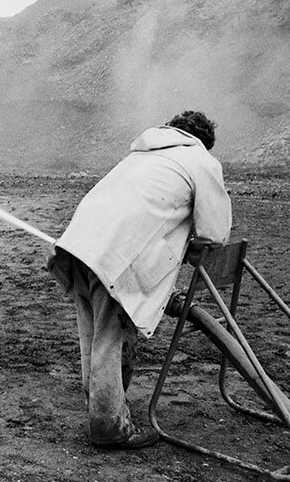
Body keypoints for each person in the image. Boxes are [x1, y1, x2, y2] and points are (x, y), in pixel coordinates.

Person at [47, 110, 232, 449]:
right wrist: (192, 249)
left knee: (93, 335)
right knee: (111, 340)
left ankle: (102, 408)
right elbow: (215, 233)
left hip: (79, 247)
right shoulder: (199, 159)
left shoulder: (141, 154)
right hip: (117, 258)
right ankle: (109, 427)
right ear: (204, 142)